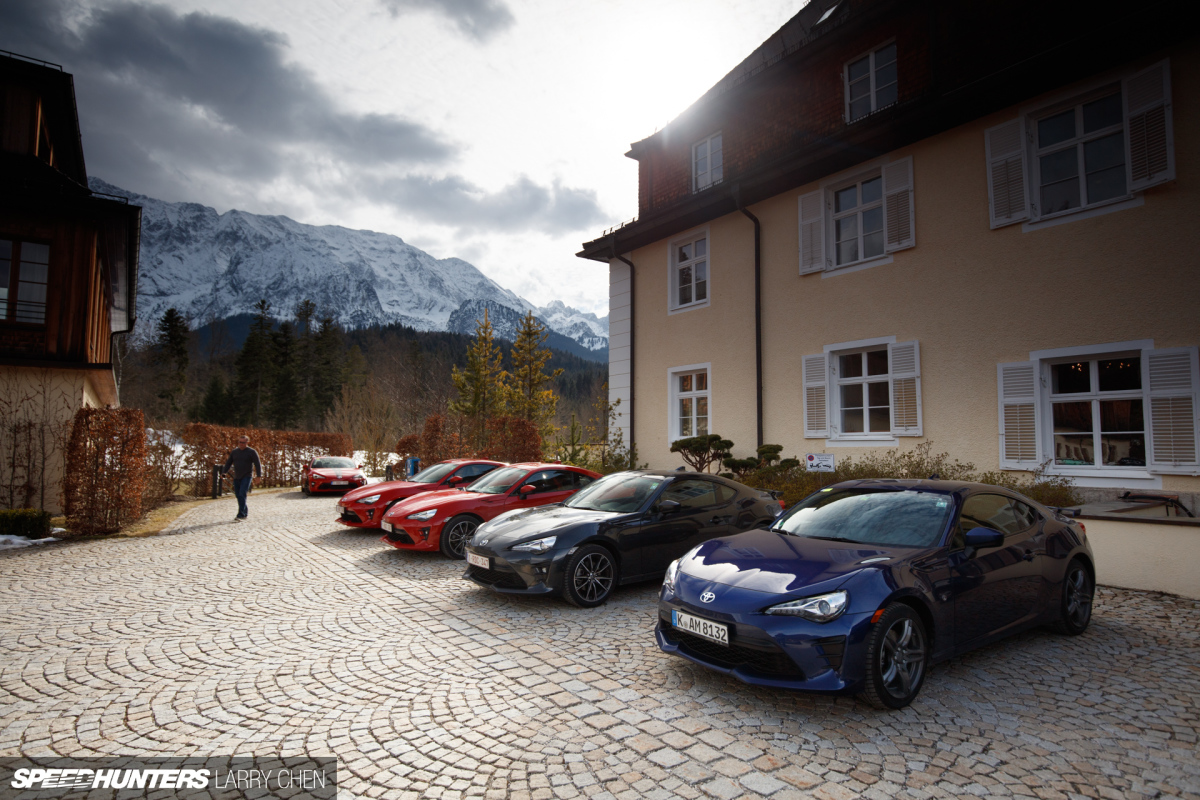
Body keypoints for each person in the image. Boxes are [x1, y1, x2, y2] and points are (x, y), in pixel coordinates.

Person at [222, 435, 263, 522]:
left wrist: (258, 476)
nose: (241, 444)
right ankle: (244, 511)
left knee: (242, 494)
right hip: (237, 477)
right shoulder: (234, 452)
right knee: (238, 495)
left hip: (247, 476)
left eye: (243, 442)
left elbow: (257, 464)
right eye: (239, 442)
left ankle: (240, 515)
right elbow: (228, 463)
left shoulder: (252, 452)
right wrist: (224, 472)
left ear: (247, 443)